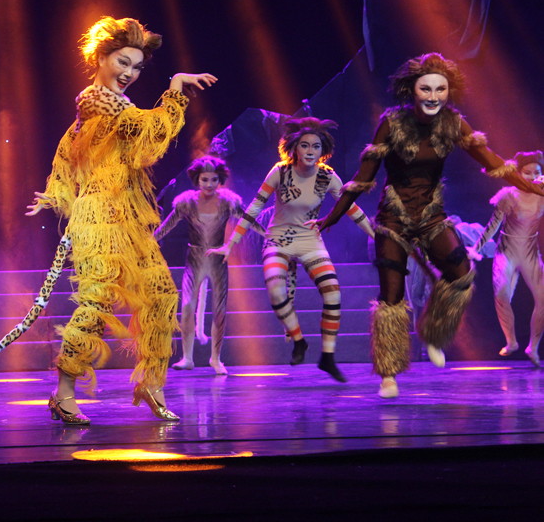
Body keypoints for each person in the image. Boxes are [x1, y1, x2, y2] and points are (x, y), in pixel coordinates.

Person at [315, 53, 544, 398]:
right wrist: (331, 217)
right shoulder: (392, 123)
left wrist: (533, 187)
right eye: (426, 89)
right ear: (412, 90)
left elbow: (494, 162)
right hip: (393, 218)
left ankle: (433, 333)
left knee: (462, 273)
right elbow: (362, 179)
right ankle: (389, 373)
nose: (434, 96)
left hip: (431, 215)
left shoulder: (453, 123)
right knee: (391, 297)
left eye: (441, 89)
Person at [26, 16, 216, 424]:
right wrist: (175, 90)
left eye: (137, 67)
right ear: (100, 58)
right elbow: (150, 134)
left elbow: (71, 150)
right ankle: (63, 393)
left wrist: (56, 191)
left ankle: (152, 383)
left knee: (161, 295)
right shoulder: (100, 103)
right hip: (99, 219)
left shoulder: (109, 106)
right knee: (97, 302)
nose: (129, 73)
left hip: (127, 219)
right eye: (122, 62)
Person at [208, 118, 374, 382]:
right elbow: (254, 207)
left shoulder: (328, 176)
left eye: (316, 146)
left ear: (323, 150)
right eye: (305, 145)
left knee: (333, 294)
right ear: (294, 147)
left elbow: (351, 209)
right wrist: (231, 243)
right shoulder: (280, 172)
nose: (310, 151)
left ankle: (327, 357)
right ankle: (298, 340)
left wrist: (376, 235)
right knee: (276, 290)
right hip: (278, 239)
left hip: (309, 240)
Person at [154, 155, 244, 375]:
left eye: (214, 179)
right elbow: (167, 225)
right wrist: (149, 241)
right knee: (186, 306)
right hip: (194, 259)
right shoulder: (187, 203)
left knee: (219, 310)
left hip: (218, 260)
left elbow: (247, 220)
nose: (209, 184)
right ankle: (187, 357)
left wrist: (269, 234)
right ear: (197, 180)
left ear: (220, 179)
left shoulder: (228, 202)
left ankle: (216, 359)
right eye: (205, 179)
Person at [469, 150, 544, 366]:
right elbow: (492, 226)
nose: (532, 177)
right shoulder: (509, 196)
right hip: (507, 250)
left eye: (537, 172)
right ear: (518, 174)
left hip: (530, 252)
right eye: (527, 173)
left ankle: (533, 348)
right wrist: (475, 248)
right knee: (501, 294)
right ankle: (511, 341)